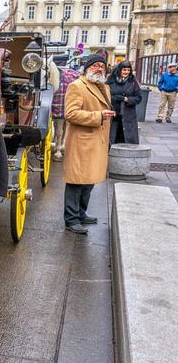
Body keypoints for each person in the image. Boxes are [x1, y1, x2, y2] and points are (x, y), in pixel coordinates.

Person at [63, 54, 115, 234]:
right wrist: (98, 117)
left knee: (89, 181)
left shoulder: (103, 87)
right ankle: (71, 219)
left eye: (102, 66)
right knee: (76, 181)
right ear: (87, 68)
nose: (99, 68)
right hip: (82, 141)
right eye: (95, 65)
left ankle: (81, 213)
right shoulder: (77, 86)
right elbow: (70, 114)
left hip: (97, 141)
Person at [106, 60, 142, 144]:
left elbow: (139, 98)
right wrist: (112, 98)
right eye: (124, 70)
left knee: (127, 140)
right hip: (113, 113)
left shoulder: (132, 82)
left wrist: (125, 99)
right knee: (111, 138)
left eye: (128, 70)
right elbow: (105, 93)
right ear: (120, 70)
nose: (127, 72)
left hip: (127, 114)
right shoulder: (111, 80)